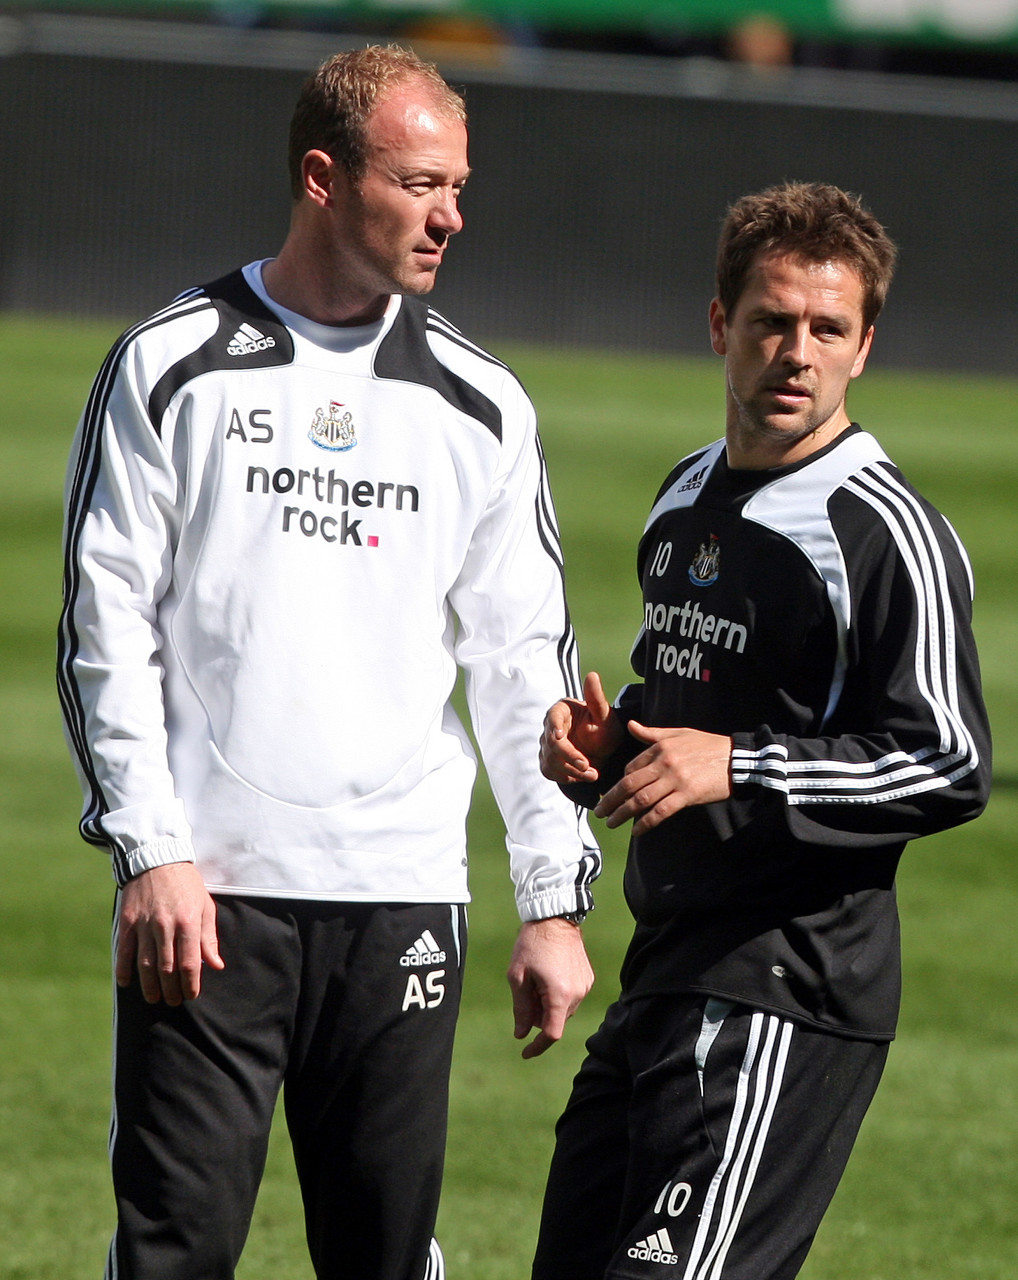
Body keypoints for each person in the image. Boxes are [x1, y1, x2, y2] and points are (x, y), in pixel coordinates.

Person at [57, 45, 600, 1280]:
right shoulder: (171, 364)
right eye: (418, 184)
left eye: (457, 187)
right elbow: (106, 621)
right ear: (322, 177)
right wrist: (151, 849)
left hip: (401, 895)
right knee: (175, 1252)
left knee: (383, 1254)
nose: (449, 216)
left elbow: (523, 662)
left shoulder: (481, 403)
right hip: (207, 900)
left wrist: (552, 899)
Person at [534, 181, 991, 1280]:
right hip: (665, 967)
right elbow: (693, 711)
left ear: (864, 347)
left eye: (828, 329)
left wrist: (740, 765)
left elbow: (949, 760)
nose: (797, 353)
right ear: (718, 325)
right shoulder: (684, 492)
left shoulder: (883, 531)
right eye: (771, 321)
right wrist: (607, 745)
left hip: (784, 986)